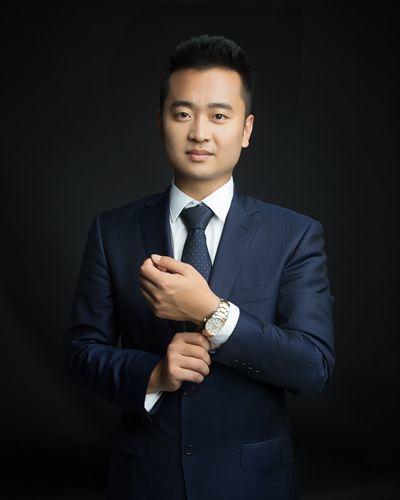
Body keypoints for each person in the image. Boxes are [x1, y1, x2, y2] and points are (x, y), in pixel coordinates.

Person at [63, 34, 335, 500]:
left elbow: (313, 366)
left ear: (246, 130)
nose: (200, 133)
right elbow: (80, 353)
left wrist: (213, 313)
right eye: (183, 114)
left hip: (252, 483)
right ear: (161, 122)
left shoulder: (295, 235)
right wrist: (153, 374)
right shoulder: (113, 230)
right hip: (144, 480)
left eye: (219, 116)